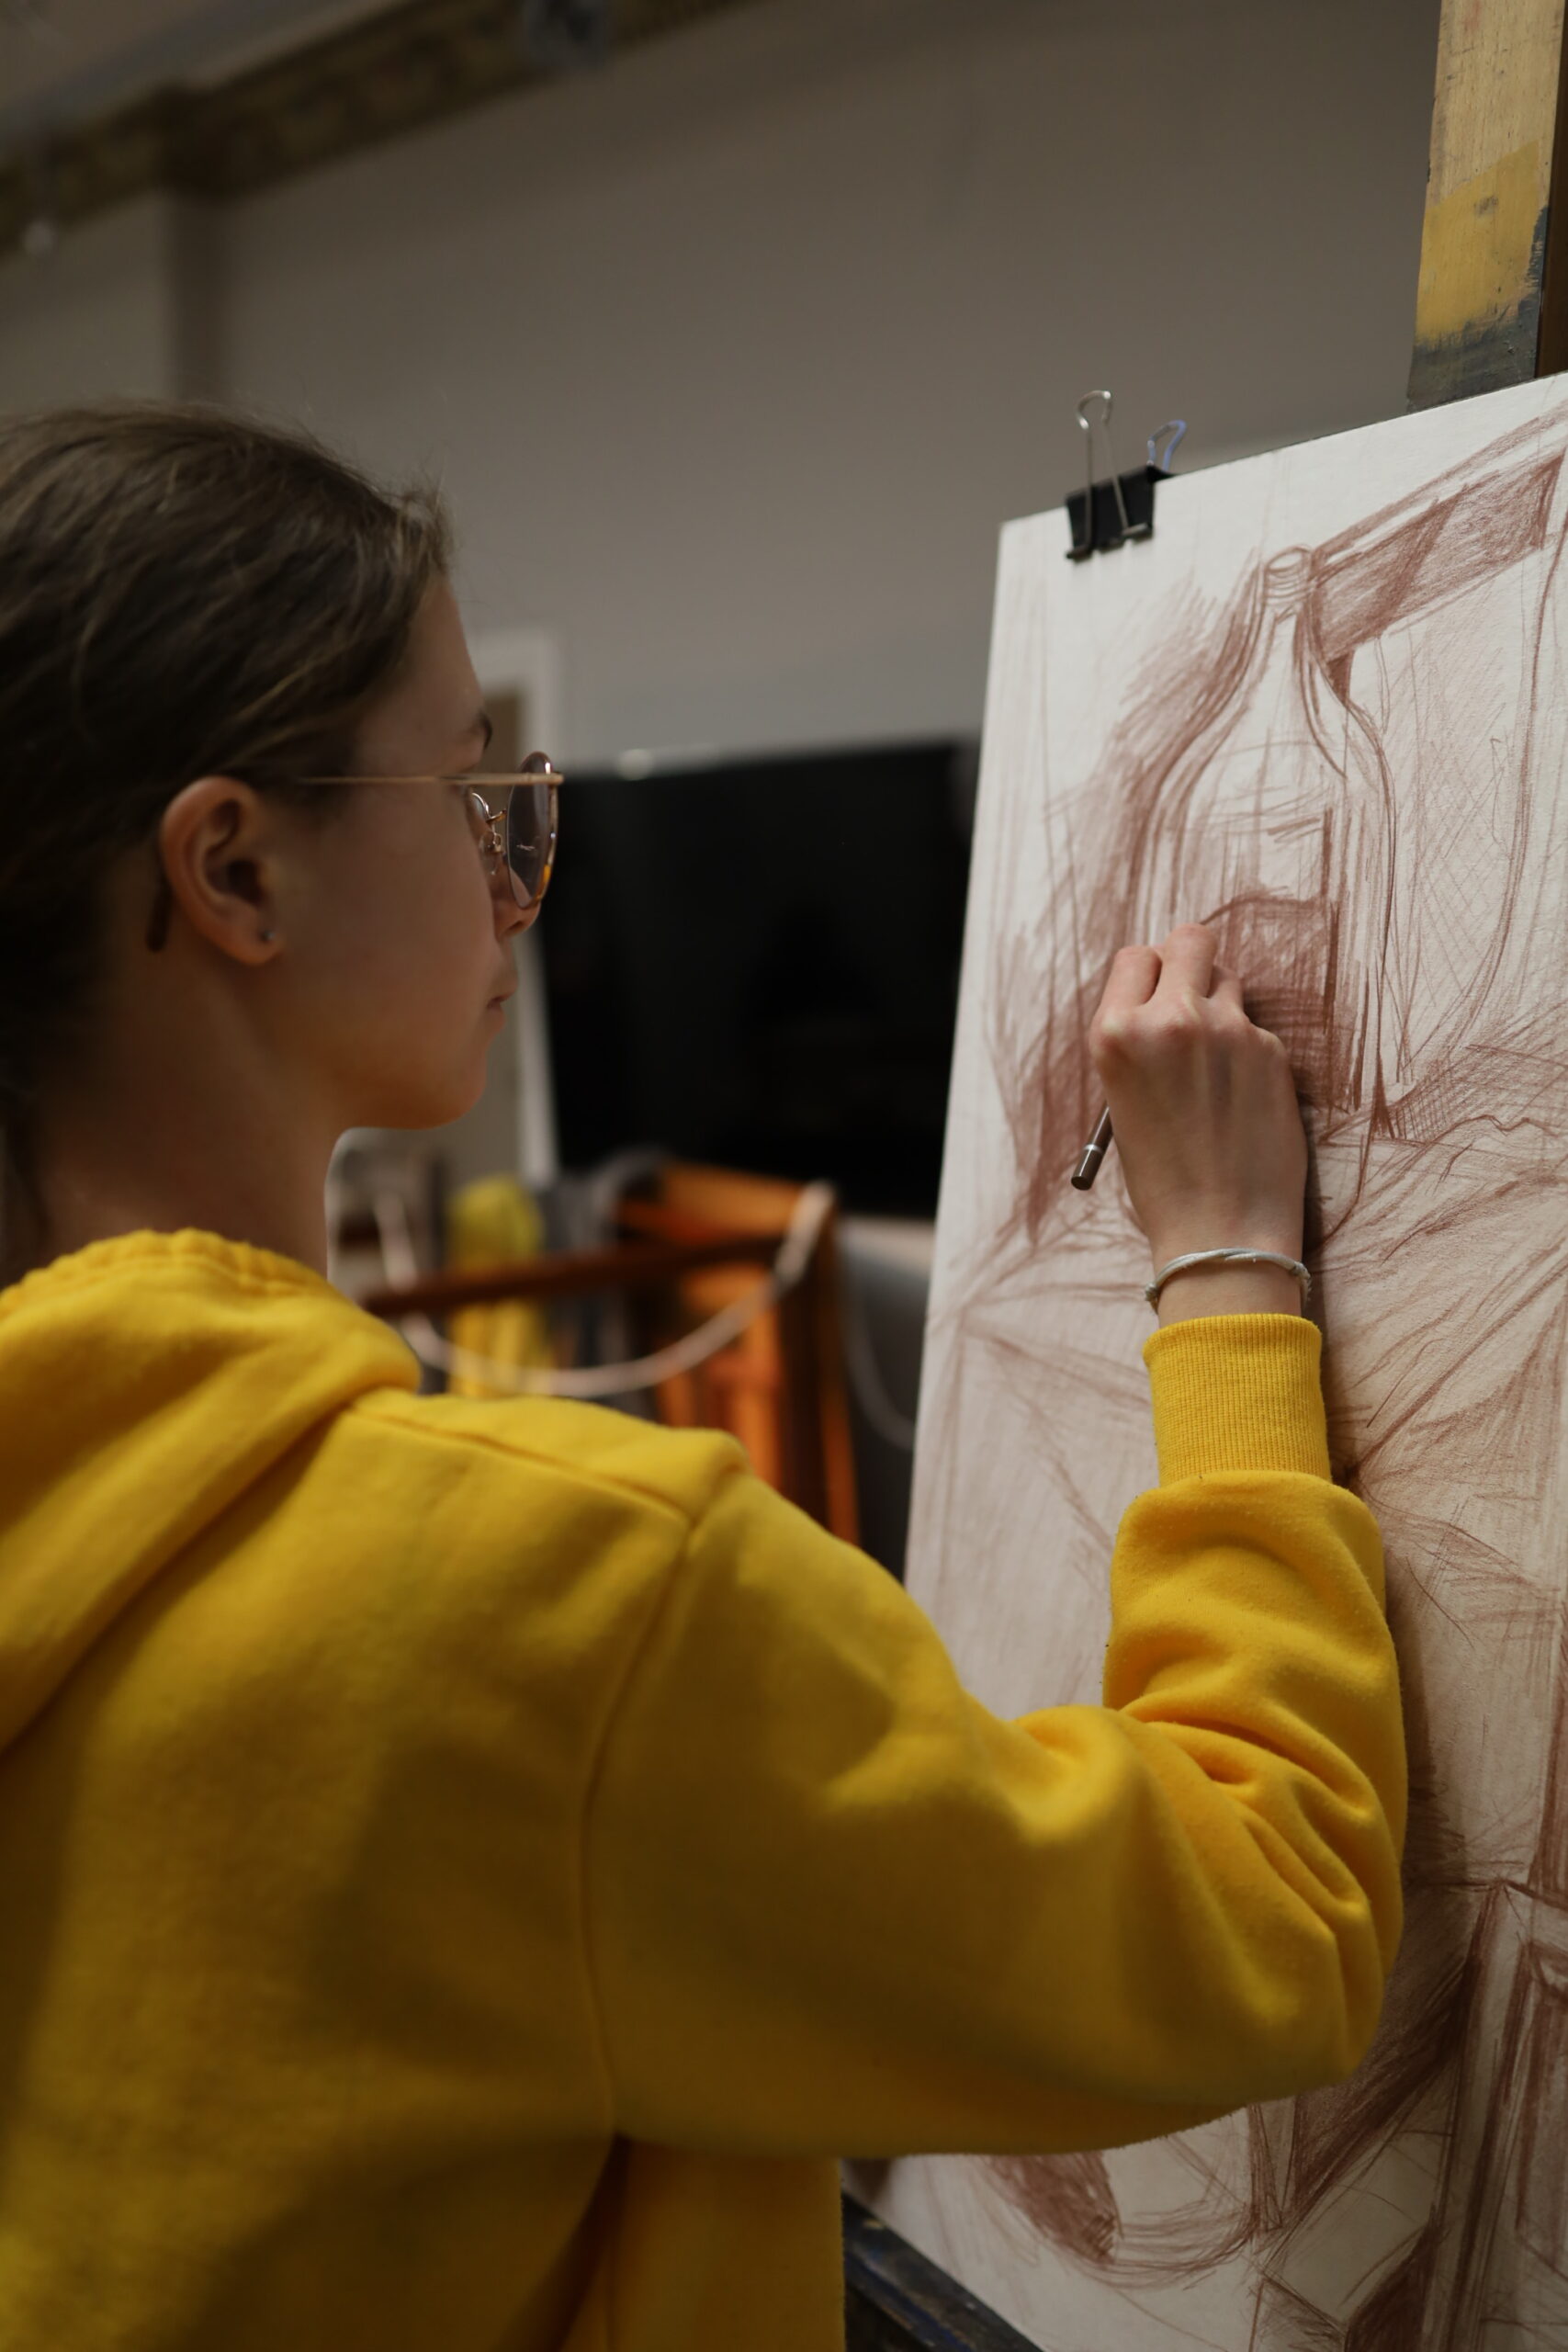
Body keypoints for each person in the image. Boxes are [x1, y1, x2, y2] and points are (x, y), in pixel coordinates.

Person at [0, 402, 1404, 2352]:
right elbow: (1268, 1920)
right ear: (234, 872)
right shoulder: (550, 1597)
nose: (518, 870)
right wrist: (1231, 1269)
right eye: (467, 786)